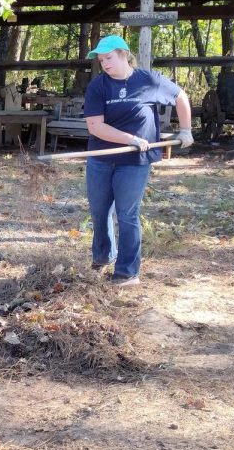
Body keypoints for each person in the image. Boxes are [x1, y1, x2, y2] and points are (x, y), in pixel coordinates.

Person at [82, 34, 192, 287]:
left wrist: (185, 130)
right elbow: (95, 127)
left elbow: (180, 97)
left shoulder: (149, 80)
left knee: (127, 214)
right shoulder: (98, 86)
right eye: (101, 60)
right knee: (100, 213)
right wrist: (128, 138)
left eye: (108, 58)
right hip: (101, 158)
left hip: (134, 162)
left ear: (123, 54)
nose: (105, 64)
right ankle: (101, 258)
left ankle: (127, 273)